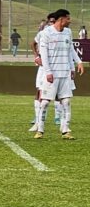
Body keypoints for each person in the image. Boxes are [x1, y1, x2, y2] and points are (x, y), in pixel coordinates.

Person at [35, 9, 83, 140]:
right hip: (51, 74)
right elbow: (43, 54)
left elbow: (70, 49)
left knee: (66, 101)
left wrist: (77, 63)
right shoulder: (46, 33)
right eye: (68, 18)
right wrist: (48, 71)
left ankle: (65, 130)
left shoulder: (68, 32)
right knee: (44, 103)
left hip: (65, 73)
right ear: (61, 19)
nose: (70, 21)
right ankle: (40, 129)